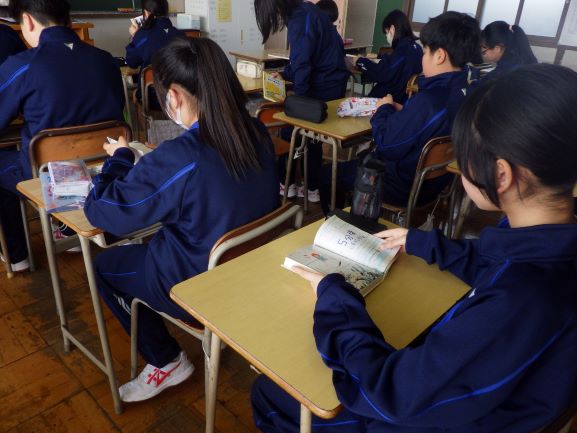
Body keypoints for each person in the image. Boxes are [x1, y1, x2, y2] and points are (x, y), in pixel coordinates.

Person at [252, 63, 577, 433]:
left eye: (464, 153)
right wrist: (421, 242)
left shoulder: (518, 302)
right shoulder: (547, 246)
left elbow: (389, 392)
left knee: (269, 393)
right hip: (495, 401)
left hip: (429, 421)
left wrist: (334, 297)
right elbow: (494, 264)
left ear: (500, 174)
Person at [84, 37, 279, 403]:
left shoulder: (182, 155)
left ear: (172, 96)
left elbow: (103, 212)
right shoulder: (257, 132)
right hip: (251, 271)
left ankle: (166, 360)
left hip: (194, 283)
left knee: (104, 267)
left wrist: (121, 157)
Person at [0, 0, 124, 271]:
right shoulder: (106, 60)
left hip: (50, 181)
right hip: (106, 171)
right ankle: (68, 226)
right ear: (68, 18)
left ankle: (18, 257)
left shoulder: (22, 66)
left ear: (27, 20)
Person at [320, 11, 480, 214]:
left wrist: (383, 109)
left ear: (440, 56)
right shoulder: (468, 92)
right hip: (436, 183)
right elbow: (432, 125)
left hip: (401, 185)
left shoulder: (429, 100)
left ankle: (341, 224)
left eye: (426, 52)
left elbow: (386, 144)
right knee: (360, 160)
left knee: (327, 176)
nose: (423, 59)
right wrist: (406, 112)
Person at [254, 0, 350, 203]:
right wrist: (284, 74)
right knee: (311, 138)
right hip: (331, 84)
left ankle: (287, 183)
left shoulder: (300, 19)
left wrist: (297, 102)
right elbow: (303, 60)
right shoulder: (307, 11)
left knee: (291, 131)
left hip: (324, 88)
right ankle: (311, 187)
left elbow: (303, 65)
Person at [355, 9, 422, 103]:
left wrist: (360, 61)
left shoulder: (403, 49)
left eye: (386, 32)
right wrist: (377, 56)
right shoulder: (416, 48)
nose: (387, 36)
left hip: (391, 98)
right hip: (405, 96)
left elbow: (382, 73)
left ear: (392, 29)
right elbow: (395, 62)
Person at [125, 0, 183, 102]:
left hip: (153, 97)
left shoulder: (143, 35)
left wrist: (135, 36)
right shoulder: (181, 35)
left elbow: (131, 62)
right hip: (180, 96)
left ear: (146, 13)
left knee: (135, 93)